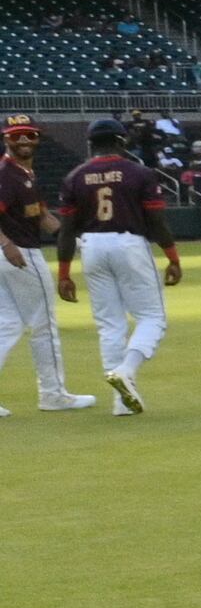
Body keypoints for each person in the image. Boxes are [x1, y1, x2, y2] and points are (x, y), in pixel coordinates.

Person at [55, 119, 179, 415]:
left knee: (110, 324)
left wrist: (63, 274)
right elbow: (157, 221)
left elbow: (66, 229)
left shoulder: (75, 175)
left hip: (91, 246)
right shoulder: (139, 173)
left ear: (90, 144)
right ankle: (127, 370)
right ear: (122, 142)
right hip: (128, 243)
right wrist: (172, 256)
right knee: (152, 318)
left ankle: (121, 403)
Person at [0, 114, 96, 411]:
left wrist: (78, 242)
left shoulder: (25, 173)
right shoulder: (6, 173)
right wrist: (6, 243)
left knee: (8, 324)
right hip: (19, 252)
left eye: (29, 134)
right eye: (17, 135)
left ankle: (53, 393)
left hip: (12, 253)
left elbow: (43, 217)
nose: (24, 140)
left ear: (38, 137)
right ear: (6, 138)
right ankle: (53, 394)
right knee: (44, 325)